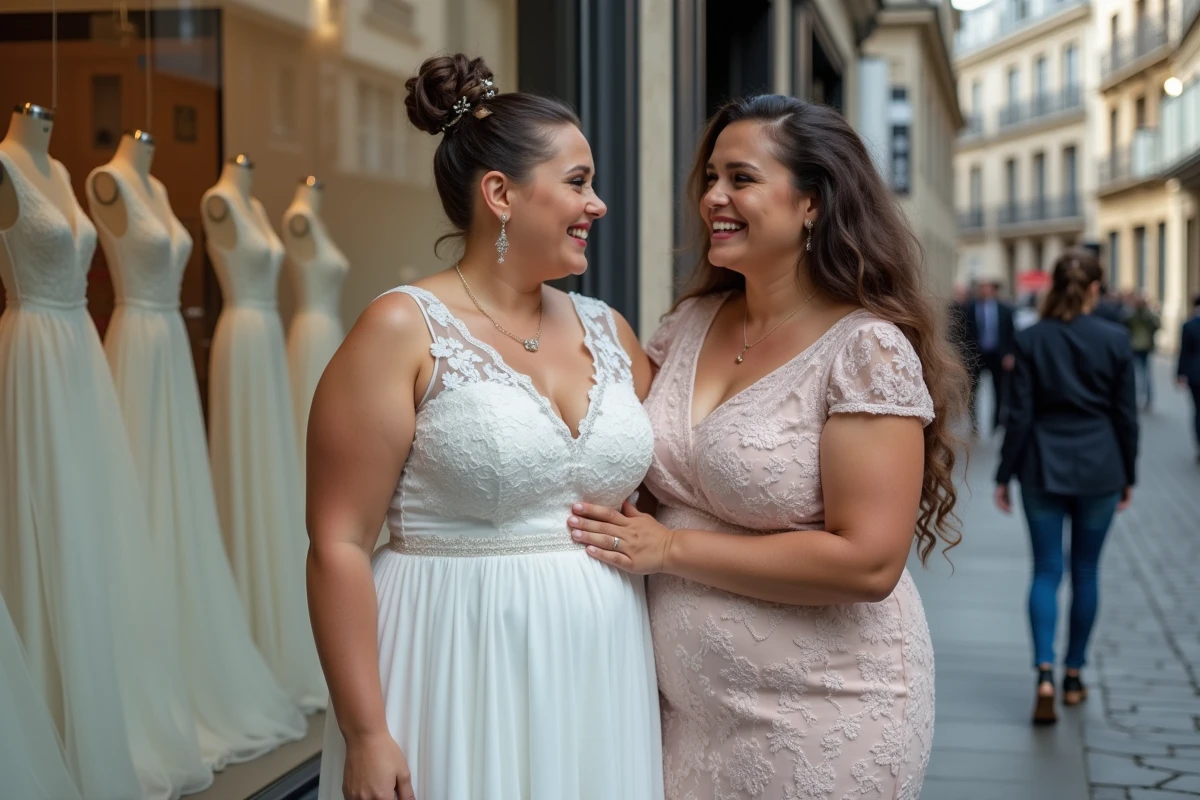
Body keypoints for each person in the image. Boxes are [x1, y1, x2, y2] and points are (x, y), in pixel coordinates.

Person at [569, 95, 968, 800]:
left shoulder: (866, 349)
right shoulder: (689, 324)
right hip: (686, 720)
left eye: (741, 178)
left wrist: (668, 550)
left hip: (827, 710)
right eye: (711, 178)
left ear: (812, 202)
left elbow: (869, 560)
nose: (714, 197)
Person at [306, 54, 663, 800]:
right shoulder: (403, 328)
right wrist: (366, 732)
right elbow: (337, 544)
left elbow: (677, 485)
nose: (597, 203)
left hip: (600, 668)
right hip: (453, 659)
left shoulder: (610, 330)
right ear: (499, 193)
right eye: (576, 182)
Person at [994, 250, 1138, 725]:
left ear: (1054, 285)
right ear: (1097, 288)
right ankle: (1076, 673)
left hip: (1041, 465)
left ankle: (1044, 673)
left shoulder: (1032, 338)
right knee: (1087, 572)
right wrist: (1128, 473)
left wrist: (1003, 474)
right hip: (1100, 465)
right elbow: (1125, 416)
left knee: (1046, 571)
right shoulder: (1116, 338)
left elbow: (1019, 415)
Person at [962, 278, 1016, 435]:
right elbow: (964, 333)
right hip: (976, 355)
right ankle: (974, 423)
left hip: (998, 355)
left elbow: (1011, 334)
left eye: (988, 287)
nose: (985, 291)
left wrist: (1009, 354)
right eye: (982, 287)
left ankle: (997, 423)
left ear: (994, 290)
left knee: (1000, 389)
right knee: (973, 390)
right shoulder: (970, 308)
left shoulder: (1005, 309)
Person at [1125, 293, 1161, 411]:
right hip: (1136, 346)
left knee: (1144, 375)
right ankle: (1139, 399)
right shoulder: (1133, 315)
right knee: (1139, 374)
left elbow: (1156, 325)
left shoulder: (1146, 315)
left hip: (1143, 346)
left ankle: (1146, 399)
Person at [1179, 293, 1200, 461]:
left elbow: (1184, 352)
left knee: (1198, 411)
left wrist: (1180, 373)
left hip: (1195, 374)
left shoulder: (1189, 325)